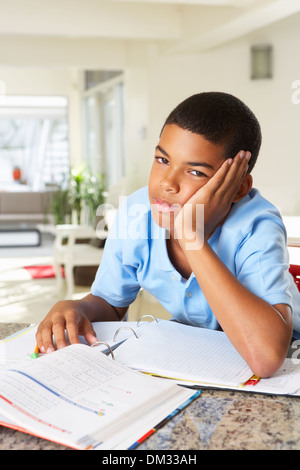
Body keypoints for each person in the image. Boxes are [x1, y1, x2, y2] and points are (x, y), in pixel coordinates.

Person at [36, 92, 300, 378]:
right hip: (199, 353)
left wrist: (191, 235)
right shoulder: (137, 213)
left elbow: (267, 358)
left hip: (285, 356)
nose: (167, 183)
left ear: (238, 187)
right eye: (162, 159)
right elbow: (111, 304)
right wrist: (76, 307)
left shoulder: (256, 226)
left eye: (196, 172)